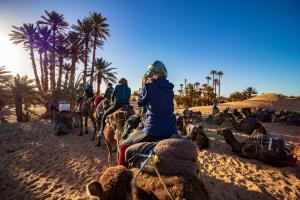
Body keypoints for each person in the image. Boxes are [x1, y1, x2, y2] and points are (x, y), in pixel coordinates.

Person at [118, 60, 177, 166]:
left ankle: (120, 171)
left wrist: (143, 88)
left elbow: (140, 103)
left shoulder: (148, 87)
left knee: (123, 146)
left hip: (153, 130)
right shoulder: (170, 89)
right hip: (171, 129)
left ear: (153, 74)